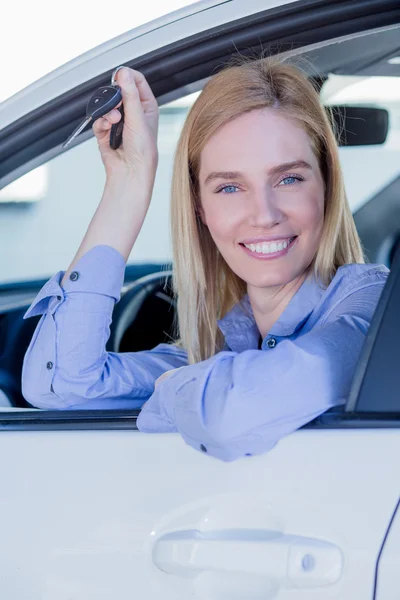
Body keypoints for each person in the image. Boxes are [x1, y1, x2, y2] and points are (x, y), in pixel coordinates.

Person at [22, 58, 388, 461]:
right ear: (199, 207)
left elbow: (229, 412)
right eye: (230, 187)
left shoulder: (375, 307)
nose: (264, 215)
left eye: (289, 179)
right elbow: (60, 385)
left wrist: (173, 386)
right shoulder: (219, 349)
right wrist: (129, 182)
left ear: (326, 185)